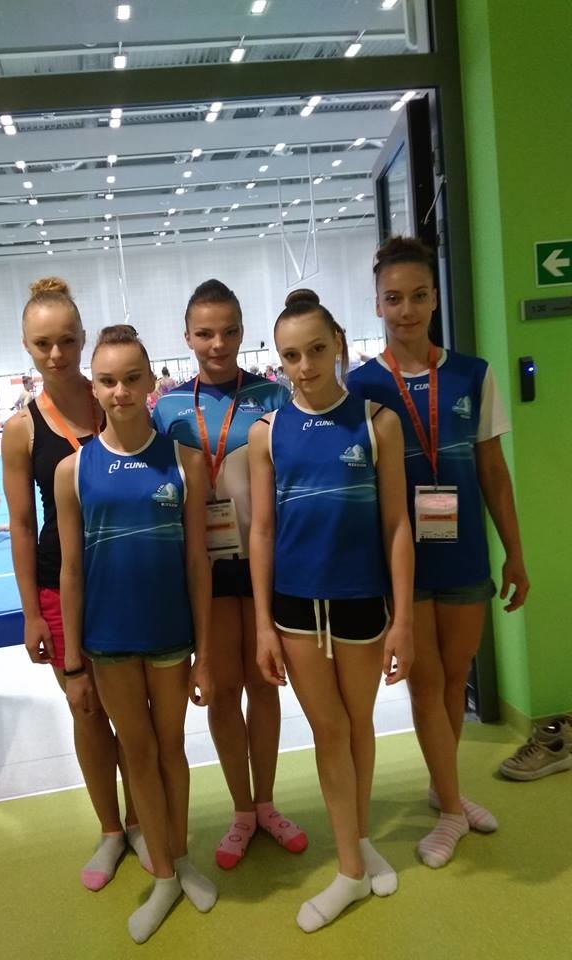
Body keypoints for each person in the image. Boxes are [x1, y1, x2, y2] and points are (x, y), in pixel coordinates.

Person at [348, 235, 530, 868]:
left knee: (455, 679)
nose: (407, 310)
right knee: (425, 683)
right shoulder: (360, 386)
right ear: (377, 304)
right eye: (393, 298)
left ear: (434, 299)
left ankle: (441, 786)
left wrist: (515, 553)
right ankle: (452, 808)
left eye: (418, 296)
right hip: (401, 561)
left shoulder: (472, 375)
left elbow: (493, 473)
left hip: (464, 553)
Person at [248, 288, 414, 932]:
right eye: (291, 356)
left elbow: (397, 525)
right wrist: (262, 624)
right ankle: (349, 868)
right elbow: (262, 531)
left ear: (339, 344)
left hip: (361, 604)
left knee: (358, 724)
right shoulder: (268, 433)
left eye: (317, 350)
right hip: (294, 609)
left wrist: (403, 619)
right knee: (329, 730)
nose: (306, 366)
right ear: (280, 359)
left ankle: (358, 840)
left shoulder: (377, 423)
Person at [55, 324, 217, 944]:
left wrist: (205, 653)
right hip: (109, 642)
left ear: (151, 381)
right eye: (107, 381)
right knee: (138, 752)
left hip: (171, 638)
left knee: (171, 750)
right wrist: (74, 662)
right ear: (93, 388)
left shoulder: (185, 462)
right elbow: (71, 572)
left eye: (130, 379)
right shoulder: (73, 471)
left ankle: (179, 856)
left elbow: (198, 563)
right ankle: (164, 876)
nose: (120, 391)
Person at [153, 279, 308, 869]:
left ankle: (266, 802)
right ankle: (241, 811)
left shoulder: (273, 396)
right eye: (205, 333)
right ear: (187, 337)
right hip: (205, 570)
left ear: (244, 331)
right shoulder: (169, 409)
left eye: (229, 331)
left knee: (264, 684)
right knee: (221, 690)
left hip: (265, 562)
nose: (217, 344)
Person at [1, 277, 147, 892]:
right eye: (43, 344)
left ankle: (143, 822)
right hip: (60, 587)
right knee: (87, 711)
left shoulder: (116, 397)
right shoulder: (22, 429)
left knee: (135, 714)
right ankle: (111, 829)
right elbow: (19, 524)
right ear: (27, 347)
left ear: (83, 339)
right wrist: (31, 613)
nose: (56, 354)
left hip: (124, 577)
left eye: (66, 340)